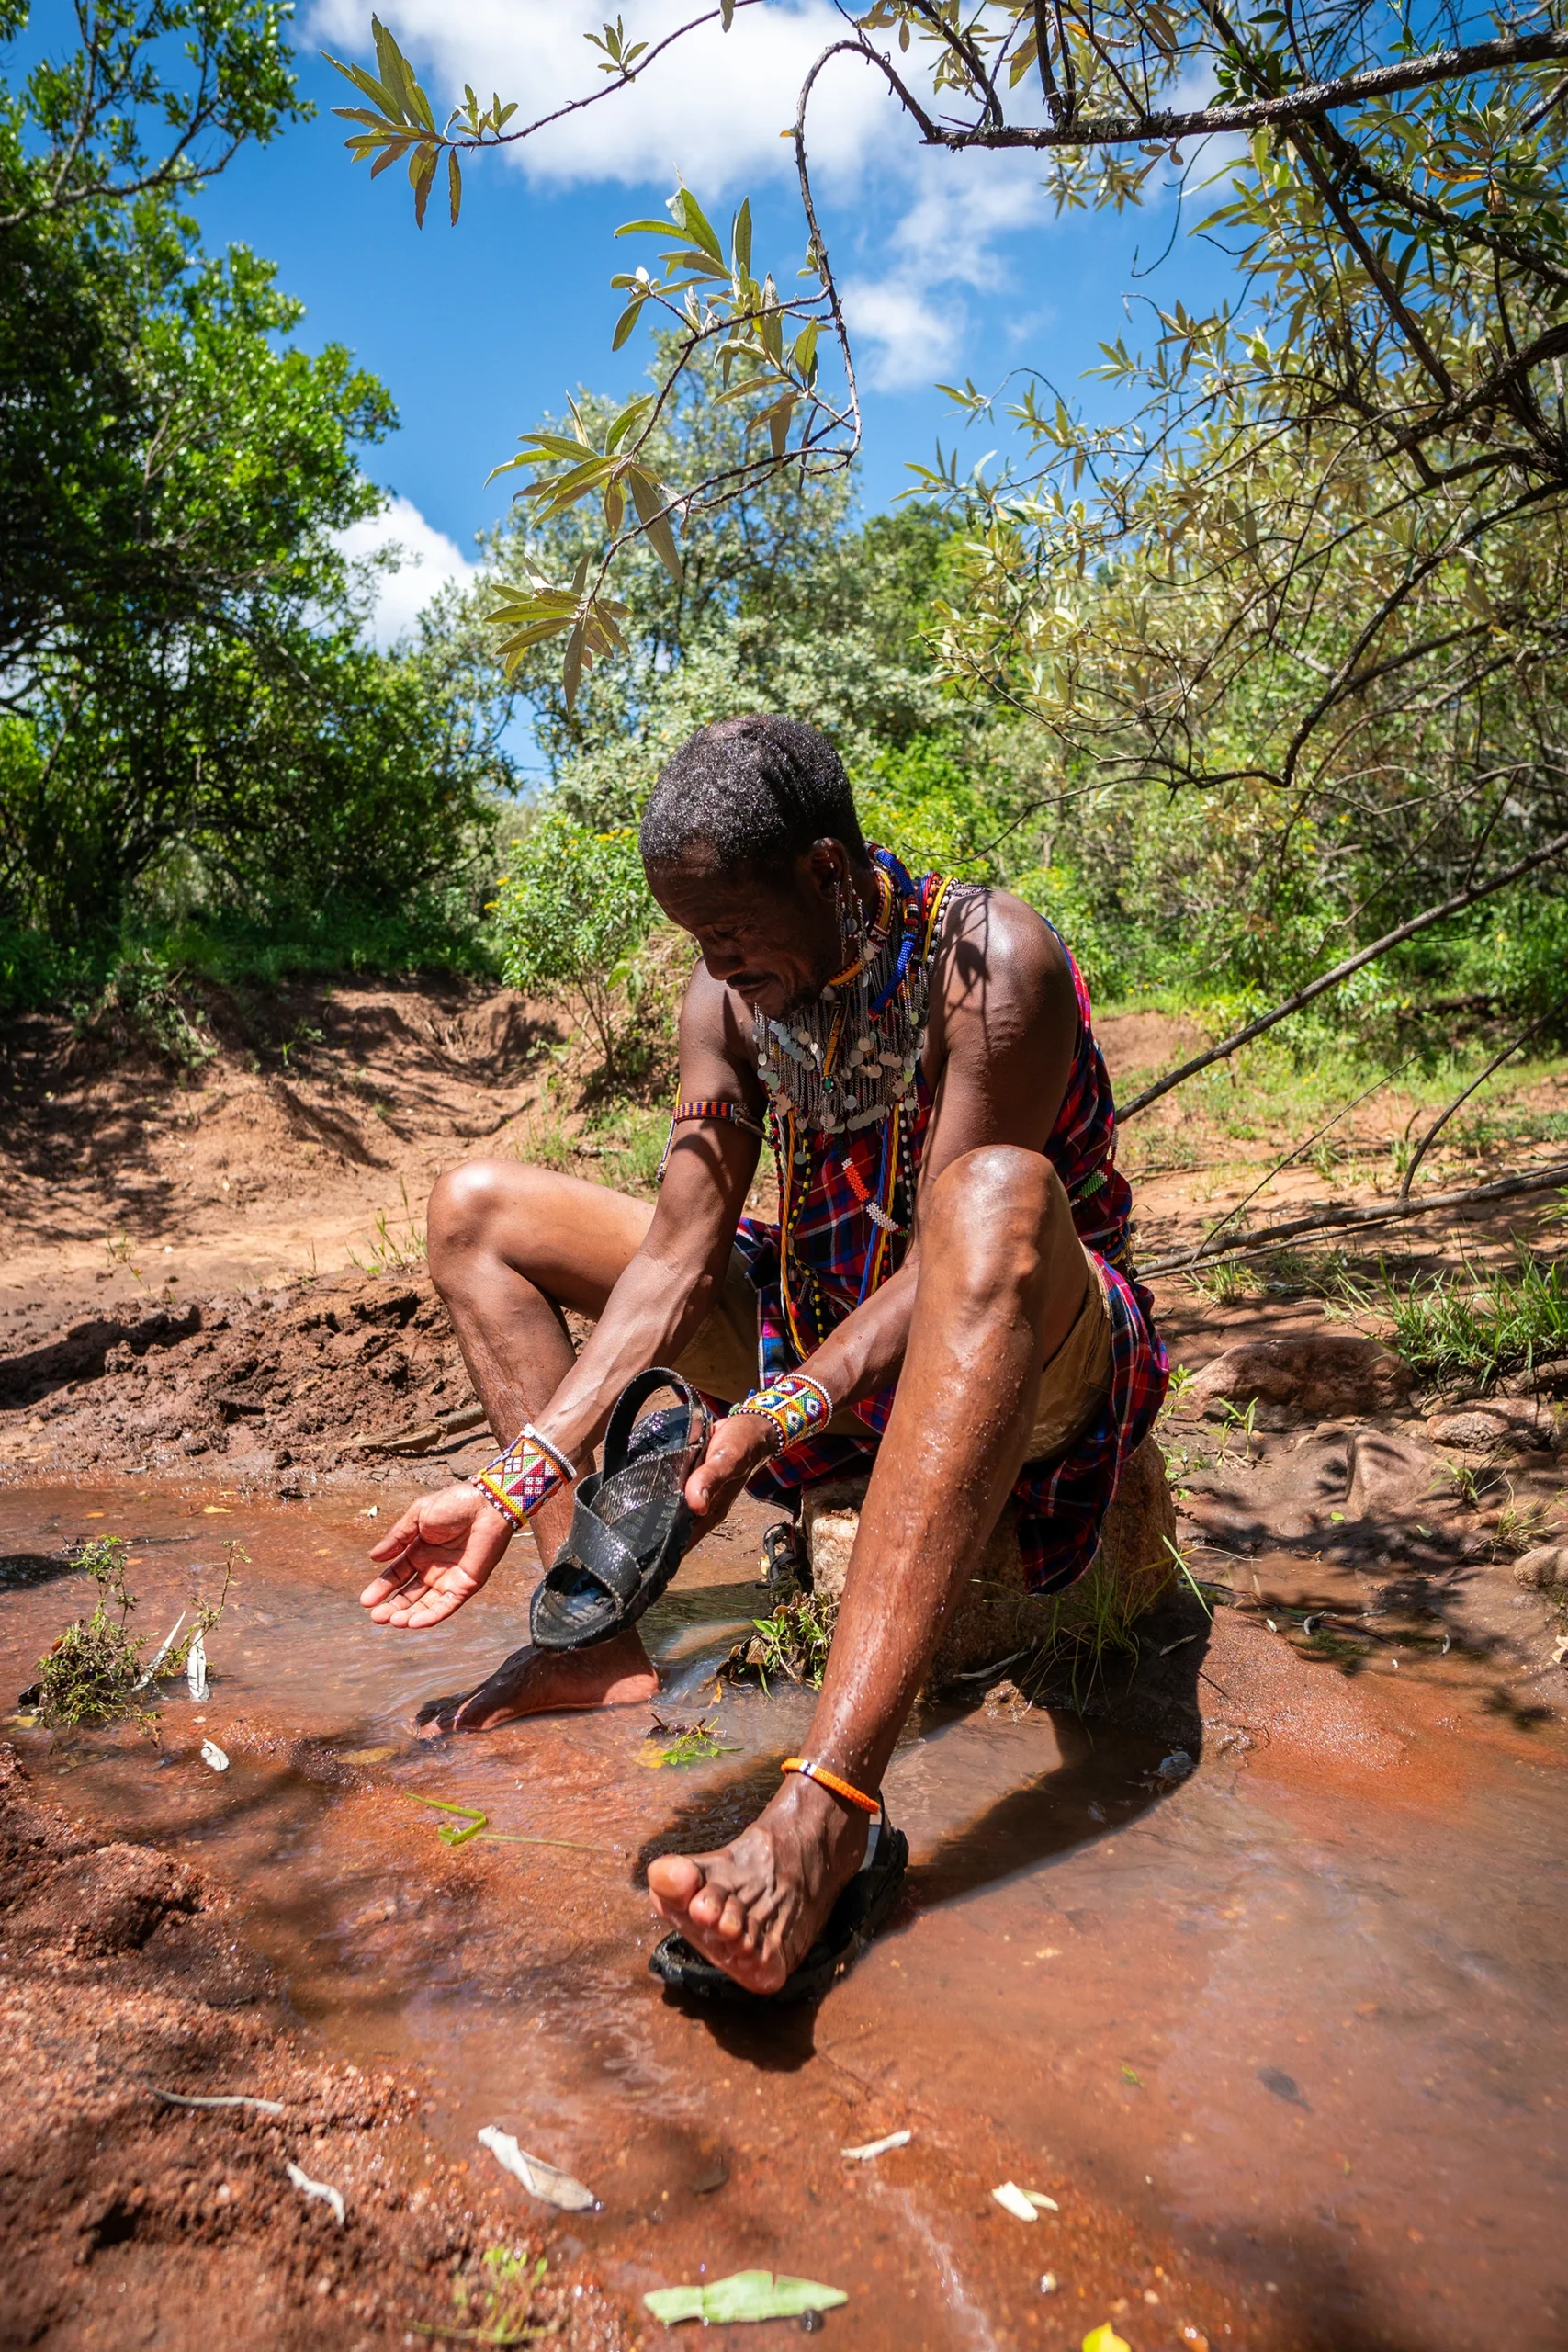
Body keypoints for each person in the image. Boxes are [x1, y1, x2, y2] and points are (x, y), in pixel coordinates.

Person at [359, 715, 1167, 1996]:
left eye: (732, 927)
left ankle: (827, 1813)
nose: (716, 962)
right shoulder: (726, 1005)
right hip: (817, 1313)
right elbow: (676, 1256)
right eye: (694, 938)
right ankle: (594, 1636)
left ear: (827, 872)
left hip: (1025, 1337)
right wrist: (515, 1484)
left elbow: (953, 1259)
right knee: (478, 1210)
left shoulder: (991, 964)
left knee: (992, 1196)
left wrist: (777, 1411)